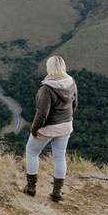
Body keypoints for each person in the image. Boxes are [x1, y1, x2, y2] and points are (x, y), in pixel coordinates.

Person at [23, 55, 78, 202]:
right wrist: (65, 118)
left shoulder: (46, 89)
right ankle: (57, 192)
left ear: (50, 68)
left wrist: (34, 129)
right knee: (60, 157)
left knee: (32, 152)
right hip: (66, 125)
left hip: (49, 127)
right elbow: (74, 105)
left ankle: (31, 188)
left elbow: (42, 114)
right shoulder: (71, 82)